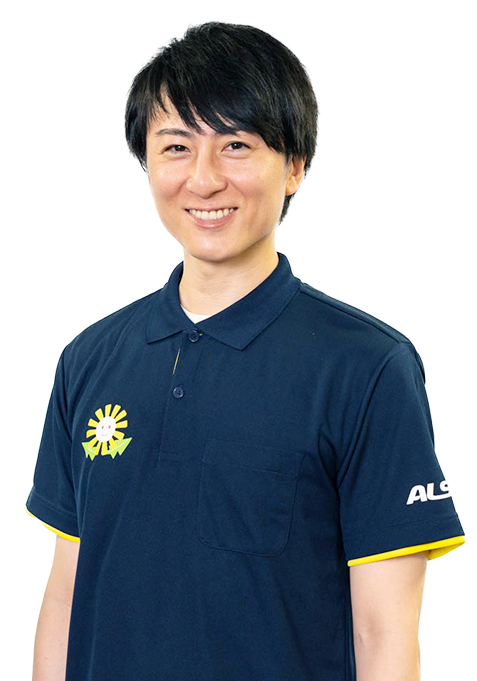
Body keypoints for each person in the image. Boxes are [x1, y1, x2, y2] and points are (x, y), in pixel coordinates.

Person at [26, 21, 465, 681]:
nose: (203, 180)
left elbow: (384, 633)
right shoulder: (89, 359)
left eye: (236, 144)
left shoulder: (367, 367)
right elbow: (65, 595)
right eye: (176, 146)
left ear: (294, 166)